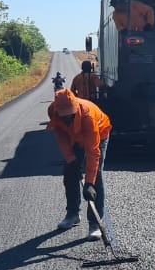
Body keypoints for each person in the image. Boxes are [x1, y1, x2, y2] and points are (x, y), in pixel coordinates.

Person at [48, 88, 112, 240]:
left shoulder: (87, 115)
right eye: (64, 115)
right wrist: (71, 159)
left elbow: (93, 152)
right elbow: (61, 136)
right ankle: (72, 215)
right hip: (74, 138)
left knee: (96, 177)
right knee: (70, 173)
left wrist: (89, 183)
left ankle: (95, 223)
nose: (67, 117)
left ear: (75, 107)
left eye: (71, 114)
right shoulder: (52, 111)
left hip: (99, 135)